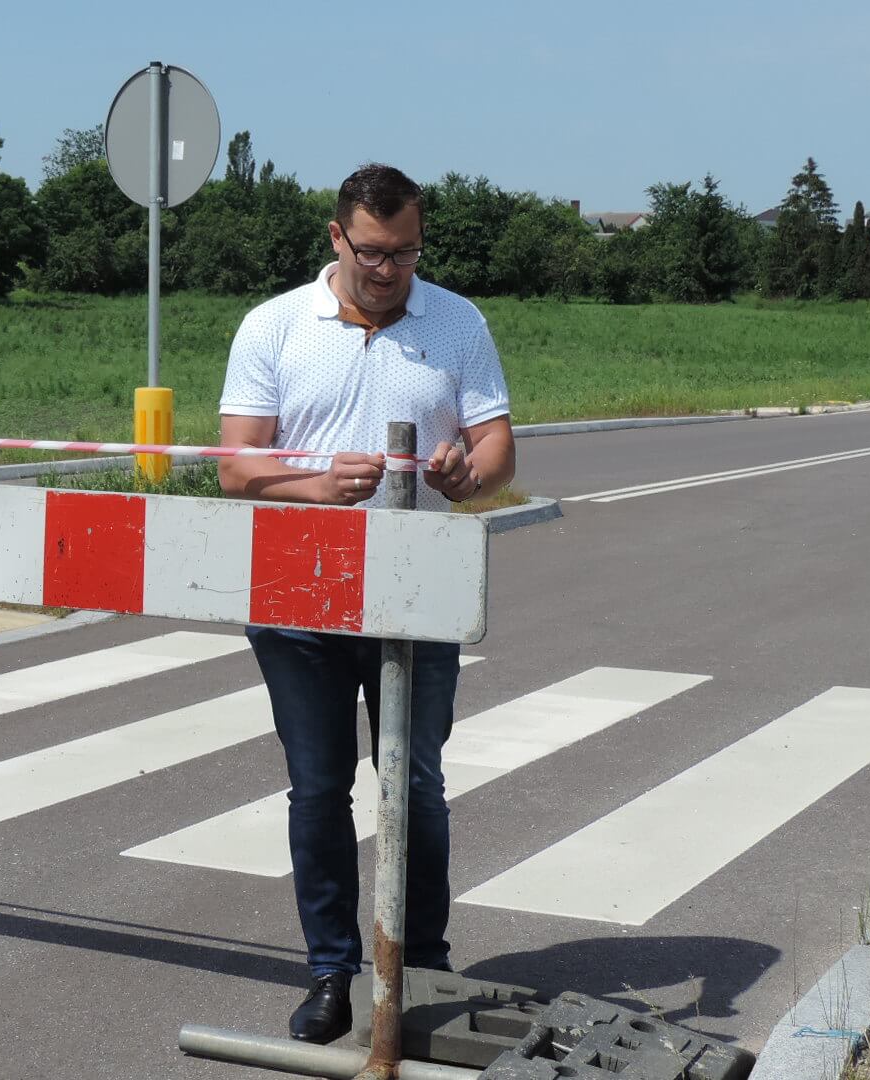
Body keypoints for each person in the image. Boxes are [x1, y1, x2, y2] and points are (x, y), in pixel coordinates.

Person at [216, 162, 515, 1044]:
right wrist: (315, 486)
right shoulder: (274, 325)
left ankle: (419, 966)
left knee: (413, 783)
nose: (392, 271)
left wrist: (468, 477)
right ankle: (331, 973)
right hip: (297, 593)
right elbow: (237, 466)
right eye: (376, 252)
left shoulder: (456, 321)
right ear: (337, 238)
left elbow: (498, 452)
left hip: (415, 592)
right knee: (318, 788)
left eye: (409, 252)